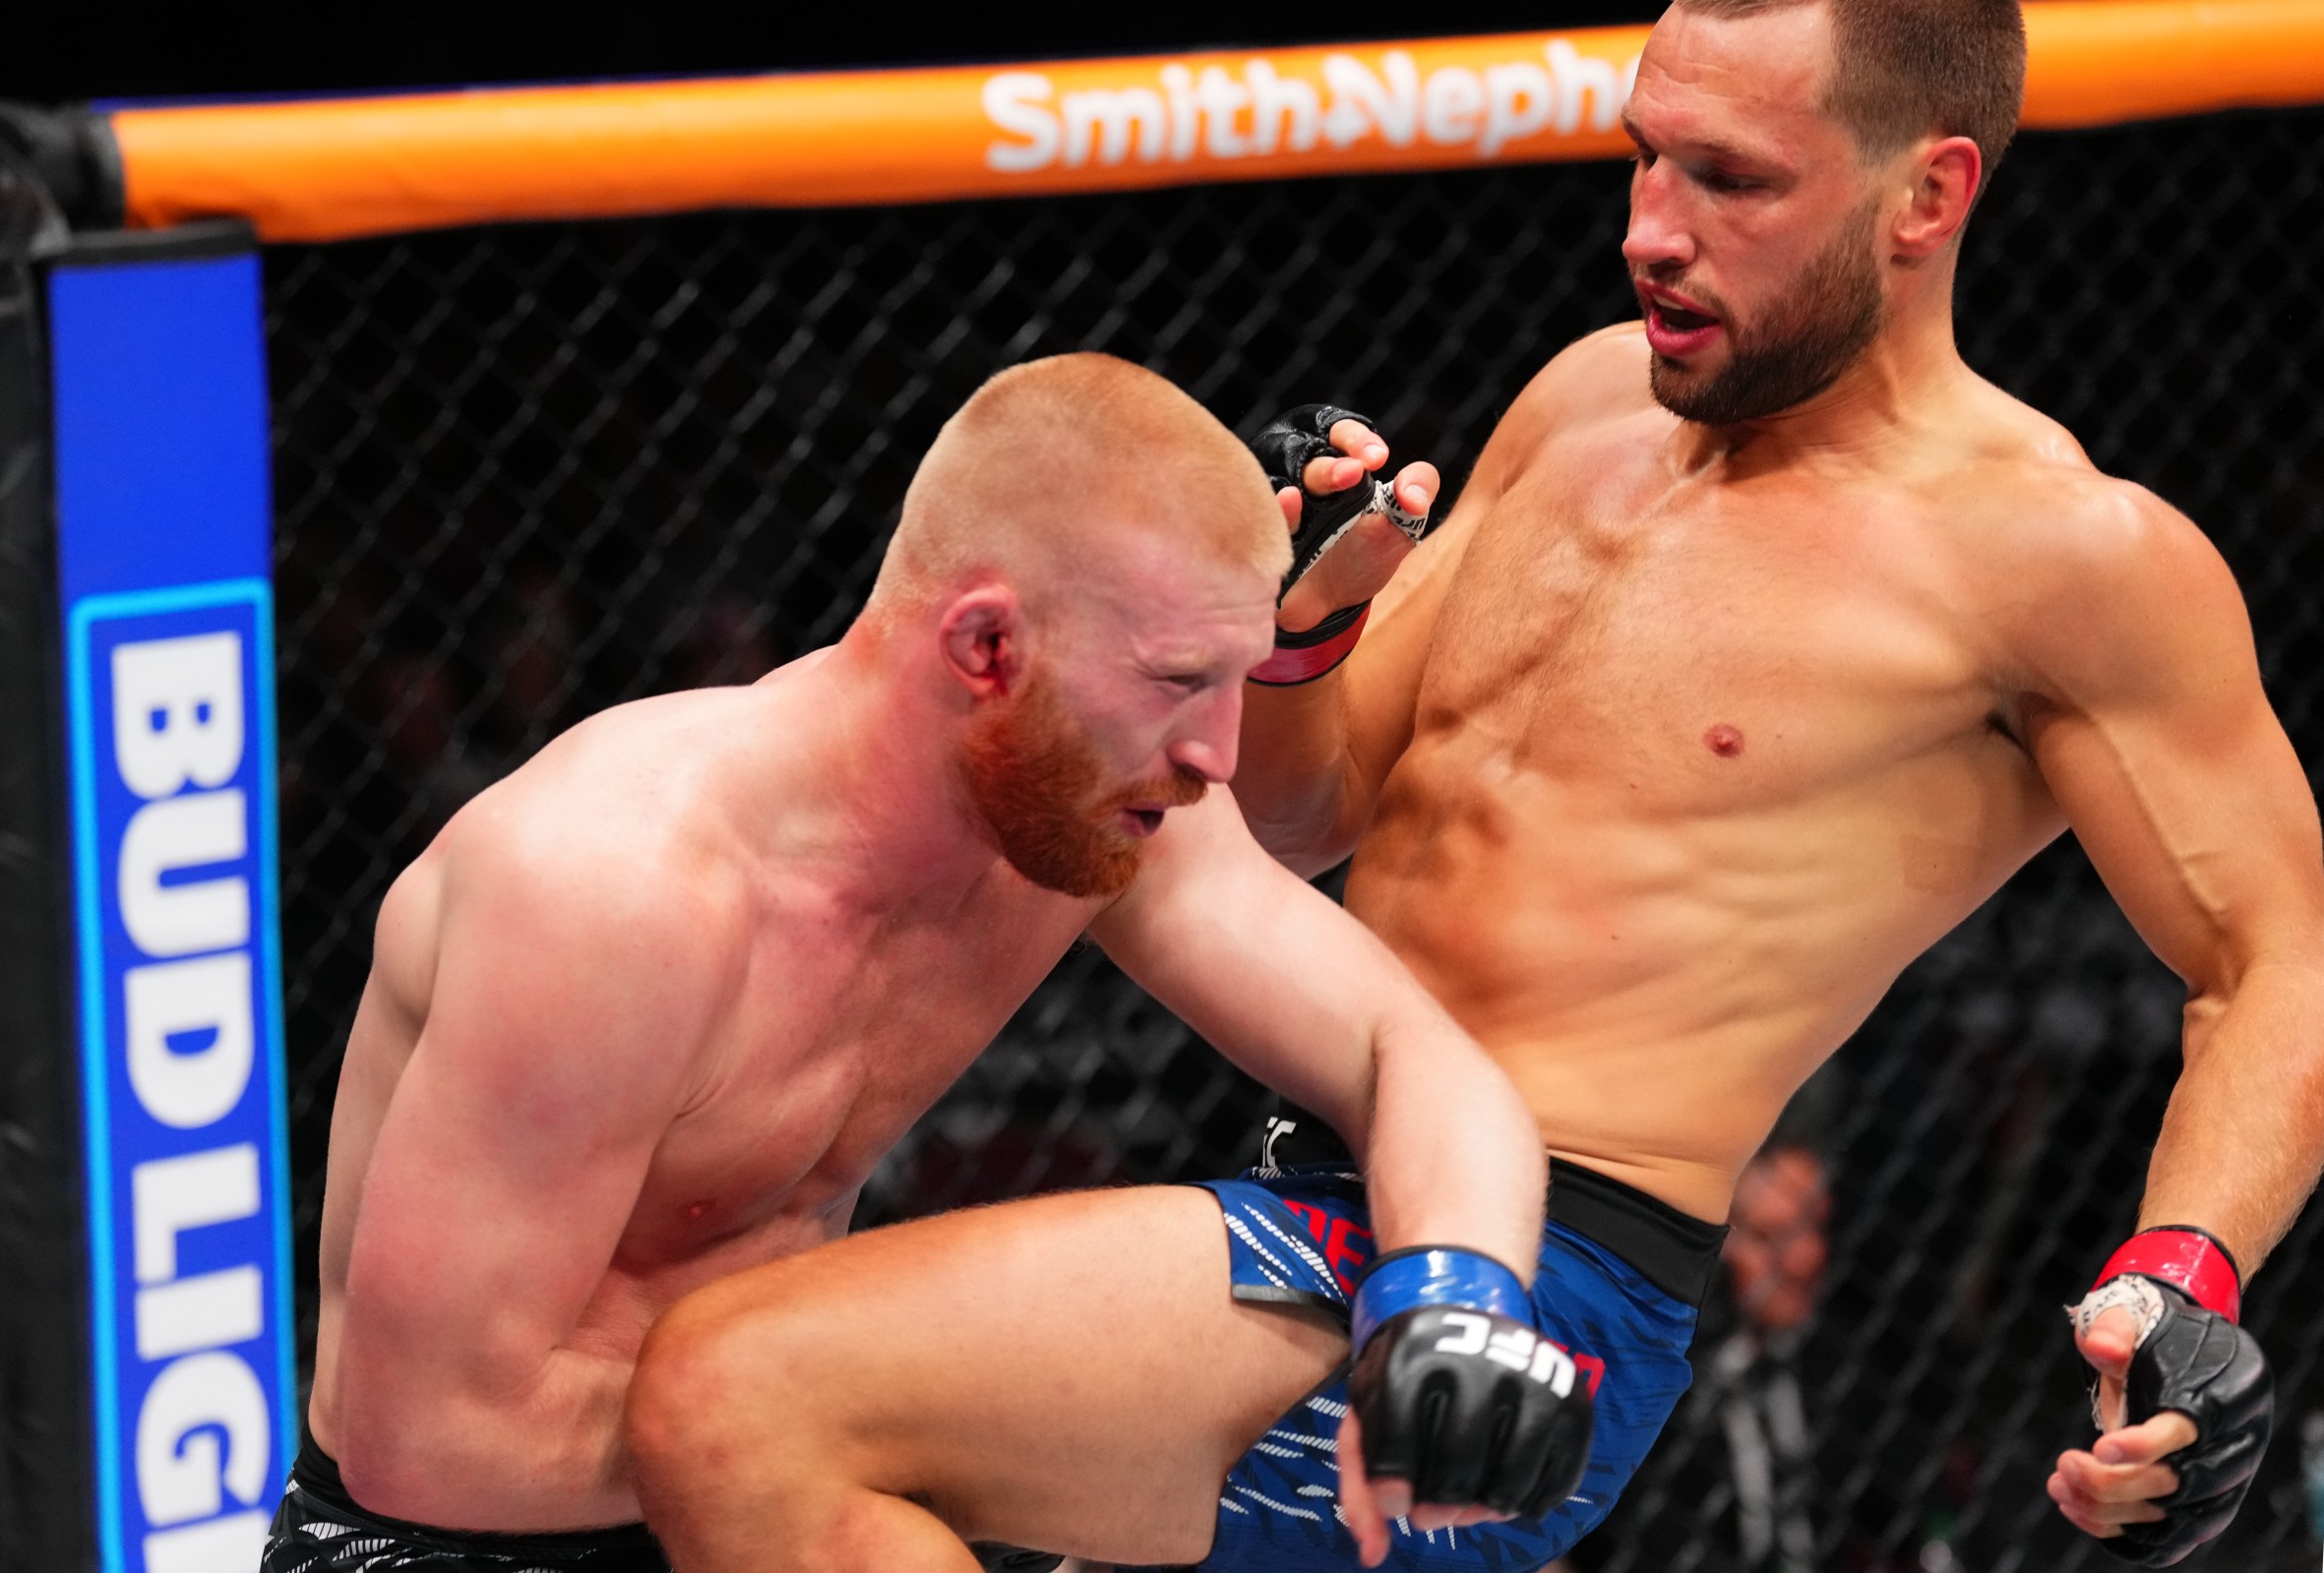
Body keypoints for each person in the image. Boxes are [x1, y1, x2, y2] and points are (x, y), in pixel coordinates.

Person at [627, 1, 2322, 1569]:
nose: (1651, 227)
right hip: (1308, 1183)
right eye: (1646, 153)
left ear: (1926, 194)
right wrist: (1303, 634)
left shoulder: (2063, 558)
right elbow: (1313, 812)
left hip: (1540, 1274)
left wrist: (2184, 1270)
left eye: (1731, 179)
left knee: (741, 1394)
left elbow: (2278, 961)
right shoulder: (1587, 399)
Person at [261, 353, 1584, 1572]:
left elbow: (1406, 1055)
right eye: (1182, 680)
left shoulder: (1095, 815)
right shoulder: (617, 890)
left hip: (783, 1480)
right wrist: (904, 1423)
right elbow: (423, 1437)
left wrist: (1452, 1299)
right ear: (987, 647)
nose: (1218, 755)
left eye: (1238, 681)